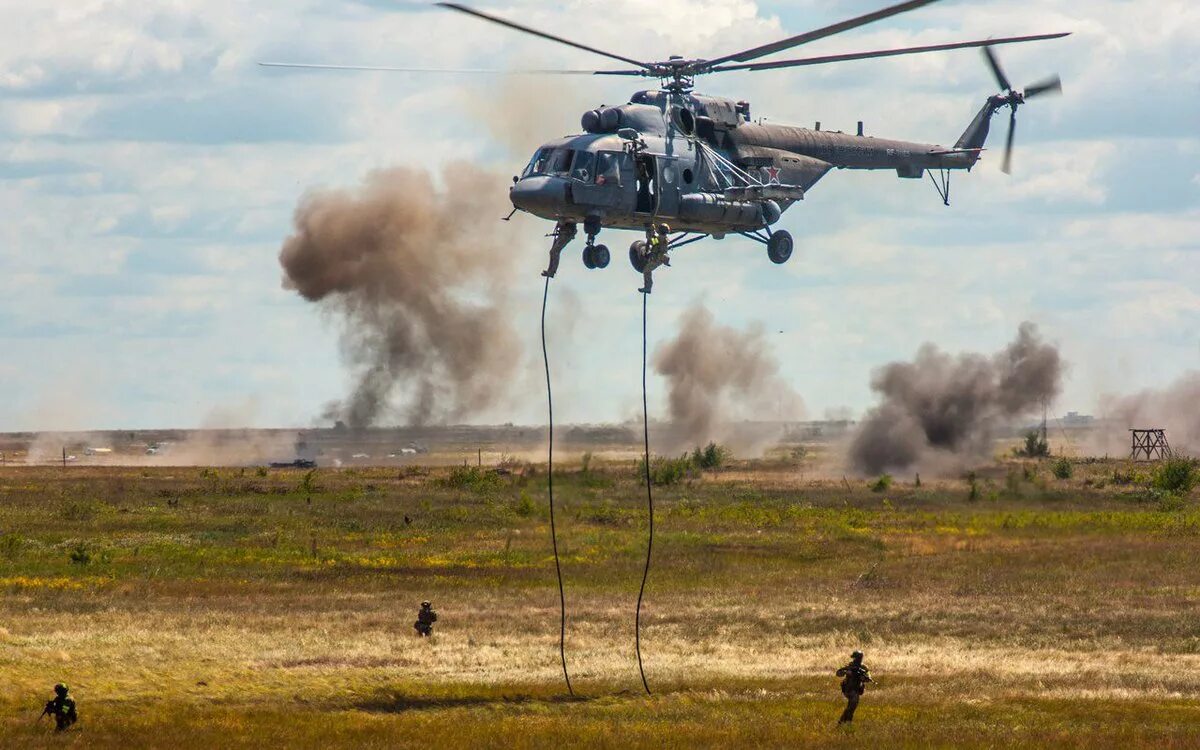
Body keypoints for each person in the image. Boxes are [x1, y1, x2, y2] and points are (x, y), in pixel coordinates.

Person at [836, 650, 872, 723]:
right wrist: (846, 672)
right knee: (853, 704)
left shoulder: (864, 668)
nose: (855, 660)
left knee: (851, 706)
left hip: (857, 689)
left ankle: (842, 721)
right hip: (848, 689)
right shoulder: (849, 666)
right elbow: (838, 673)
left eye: (856, 658)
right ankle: (848, 721)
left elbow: (868, 678)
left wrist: (863, 678)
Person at [639, 224, 672, 294]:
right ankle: (647, 287)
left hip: (657, 258)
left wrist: (650, 234)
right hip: (659, 257)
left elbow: (653, 242)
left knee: (646, 270)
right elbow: (654, 242)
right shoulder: (664, 238)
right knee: (647, 270)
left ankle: (647, 288)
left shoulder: (660, 238)